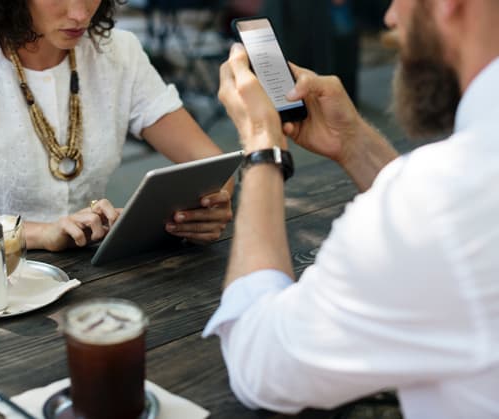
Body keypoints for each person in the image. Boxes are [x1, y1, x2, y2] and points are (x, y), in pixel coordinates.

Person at [204, 0, 499, 417]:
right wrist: (354, 143)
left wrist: (262, 147)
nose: (391, 17)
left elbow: (262, 363)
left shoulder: (443, 201)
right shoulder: (454, 196)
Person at [0, 0, 234, 260]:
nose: (80, 13)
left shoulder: (118, 52)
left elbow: (212, 164)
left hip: (86, 272)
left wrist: (206, 207)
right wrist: (40, 234)